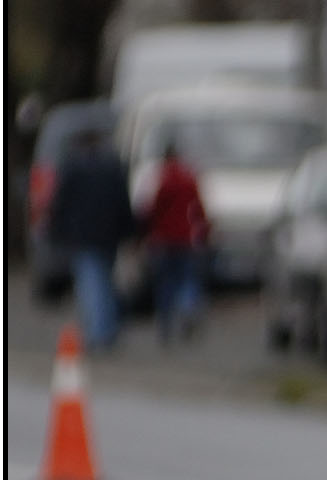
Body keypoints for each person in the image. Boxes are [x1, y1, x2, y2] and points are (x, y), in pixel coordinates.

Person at [45, 126, 135, 351]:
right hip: (108, 235)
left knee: (91, 284)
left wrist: (56, 231)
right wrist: (129, 230)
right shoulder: (112, 167)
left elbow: (60, 203)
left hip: (83, 236)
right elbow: (123, 202)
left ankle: (99, 333)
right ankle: (108, 328)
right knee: (105, 281)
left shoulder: (73, 168)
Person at [143, 139, 208, 342]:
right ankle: (188, 308)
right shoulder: (188, 177)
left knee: (166, 282)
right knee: (187, 279)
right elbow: (198, 207)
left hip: (164, 238)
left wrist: (147, 233)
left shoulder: (162, 179)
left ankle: (166, 322)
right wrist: (204, 230)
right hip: (186, 237)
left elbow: (152, 210)